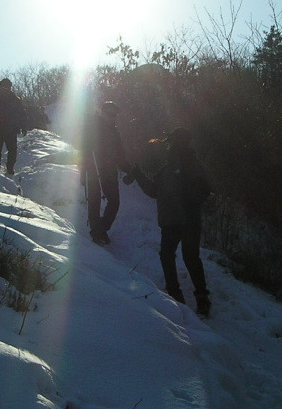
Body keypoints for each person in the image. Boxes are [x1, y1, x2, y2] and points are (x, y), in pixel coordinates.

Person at [134, 128, 213, 316]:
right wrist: (138, 175)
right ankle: (194, 297)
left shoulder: (183, 164)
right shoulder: (176, 165)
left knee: (174, 257)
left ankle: (180, 294)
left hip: (179, 220)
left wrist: (186, 200)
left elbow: (203, 189)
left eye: (171, 142)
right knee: (185, 257)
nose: (169, 145)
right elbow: (155, 191)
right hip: (181, 220)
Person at [80, 101, 133, 244]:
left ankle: (101, 229)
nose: (113, 117)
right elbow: (83, 151)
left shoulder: (114, 132)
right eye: (110, 114)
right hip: (93, 169)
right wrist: (82, 171)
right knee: (94, 202)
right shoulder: (92, 127)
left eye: (115, 115)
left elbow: (119, 154)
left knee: (114, 202)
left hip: (109, 171)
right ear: (102, 113)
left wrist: (128, 169)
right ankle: (96, 232)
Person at [0, 78, 26, 175]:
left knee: (10, 150)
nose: (6, 88)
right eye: (5, 86)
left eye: (7, 86)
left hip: (9, 128)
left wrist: (23, 126)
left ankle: (9, 168)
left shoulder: (15, 99)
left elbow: (21, 114)